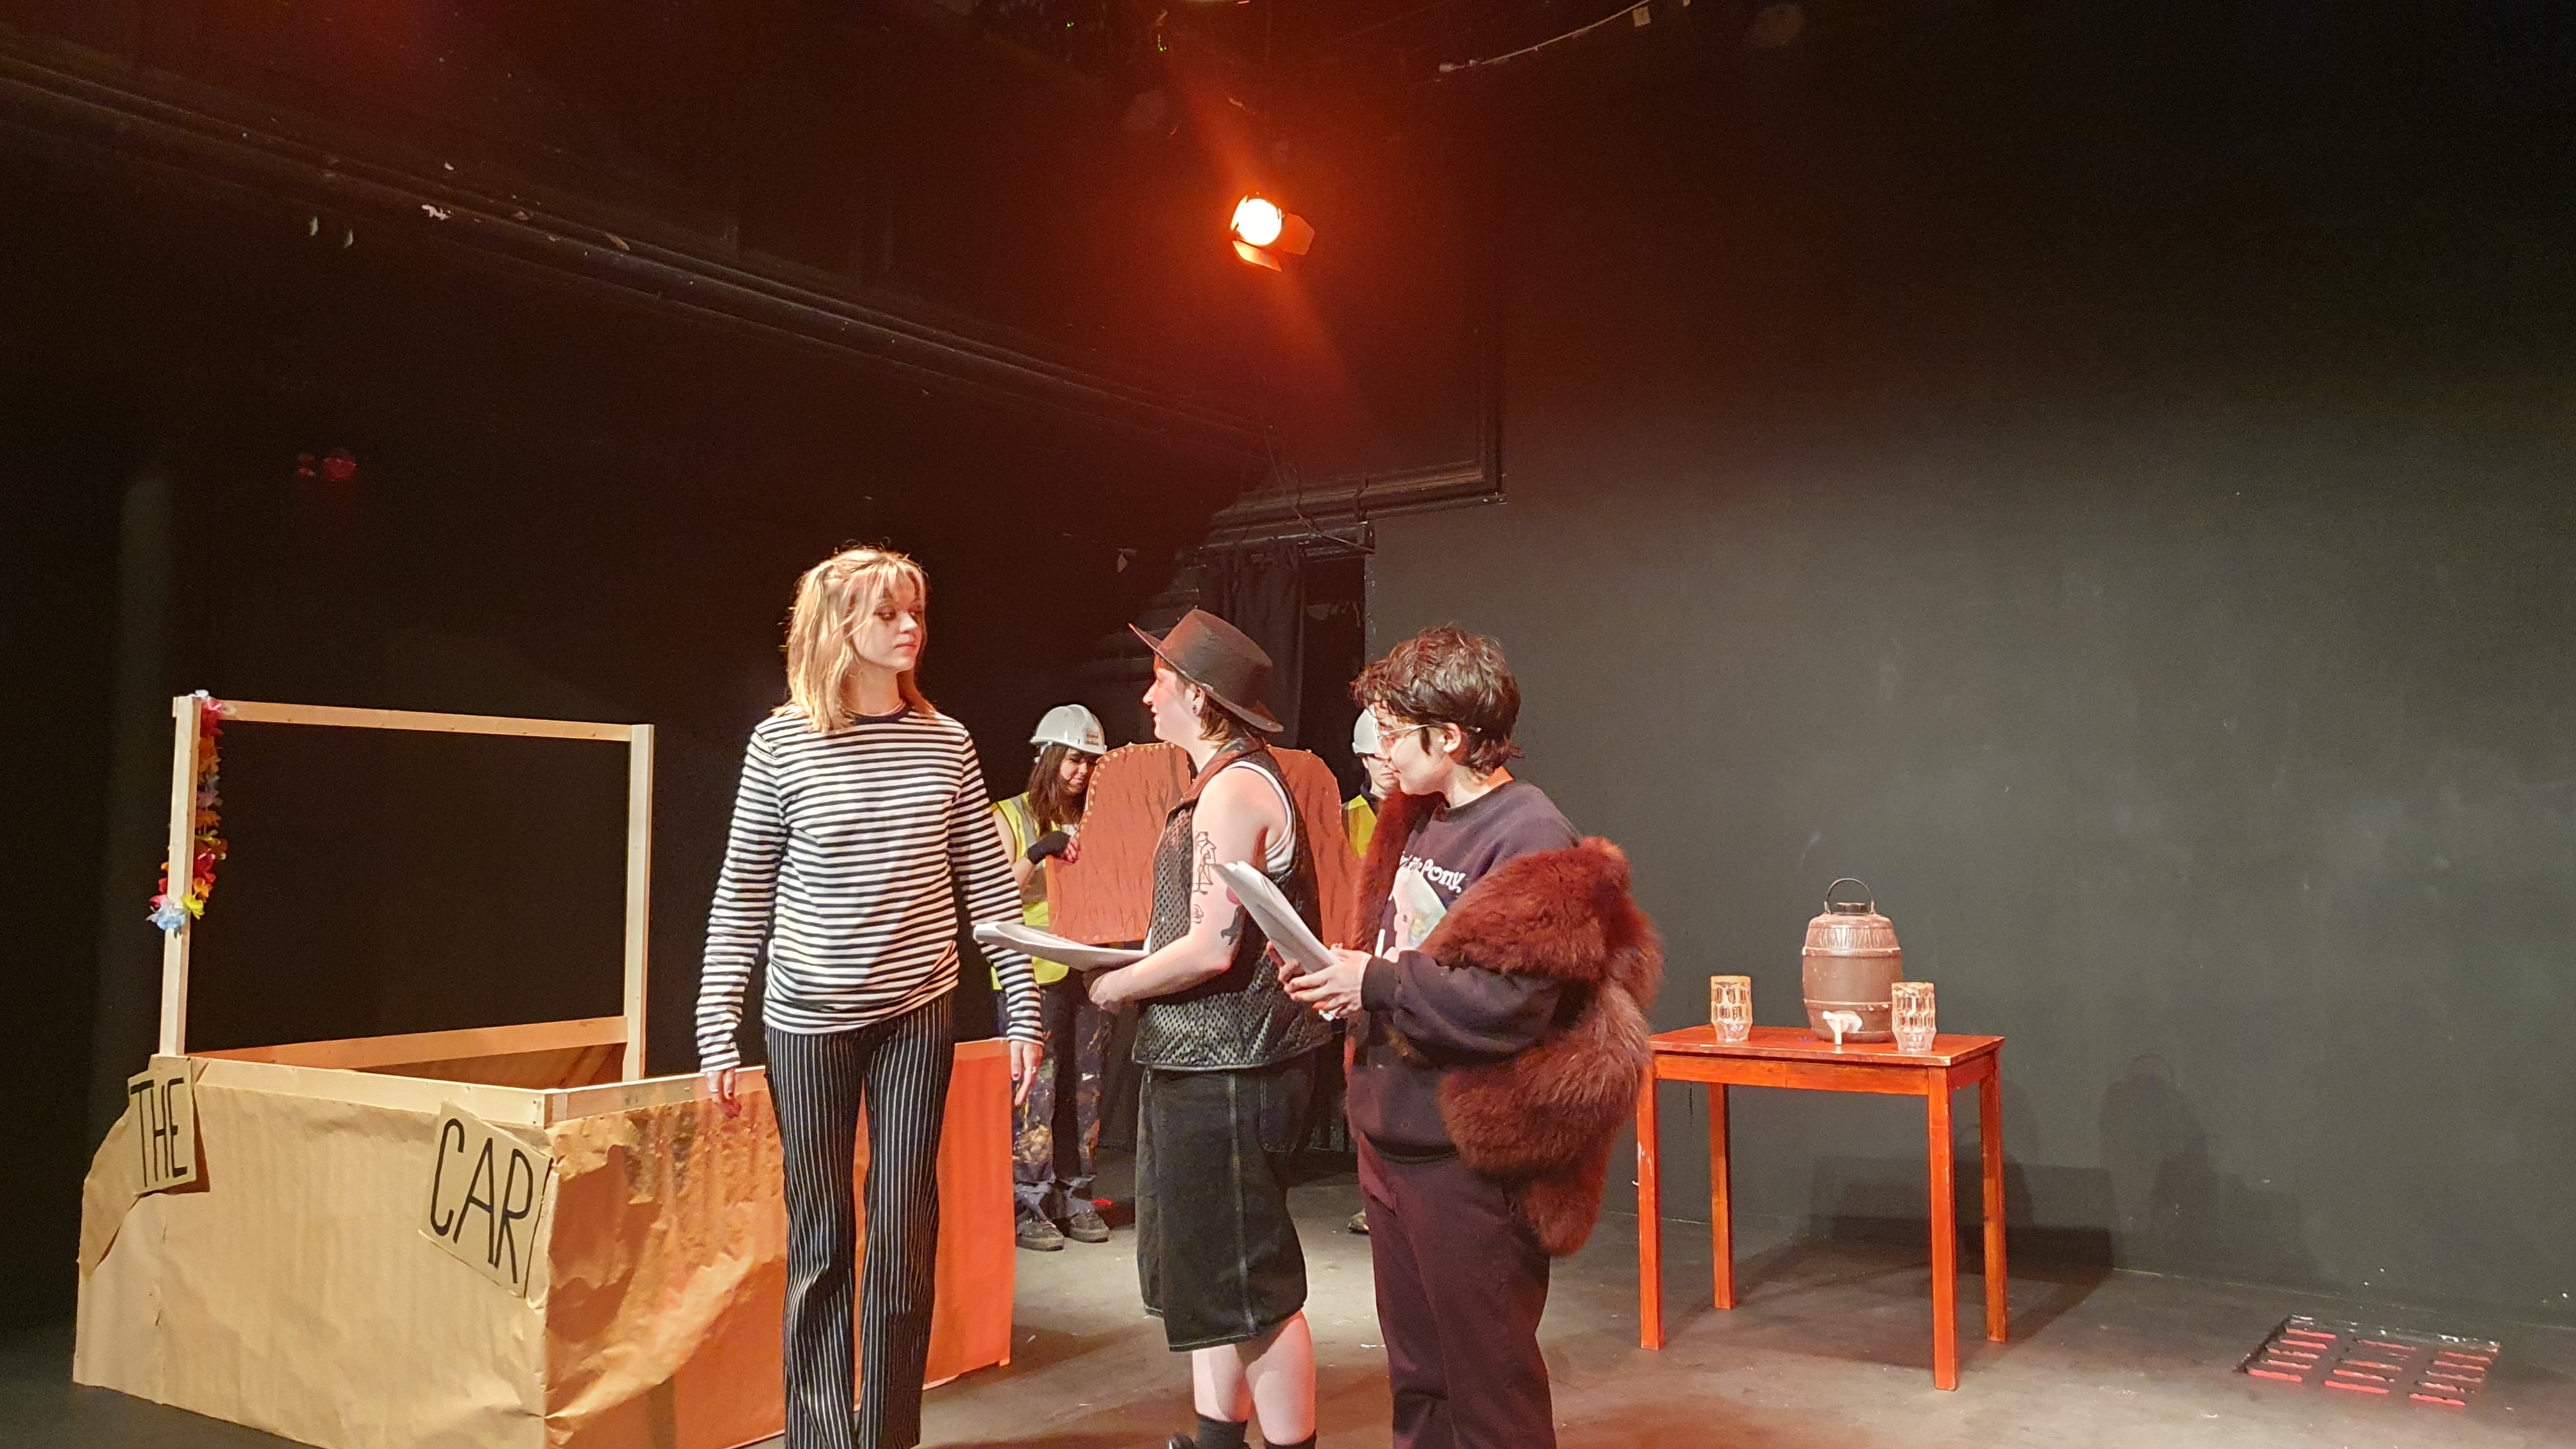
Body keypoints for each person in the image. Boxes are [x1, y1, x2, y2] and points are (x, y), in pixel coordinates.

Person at [694, 544, 1045, 1449]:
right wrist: (716, 1026)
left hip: (915, 1011)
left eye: (915, 611)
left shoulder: (946, 742)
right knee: (821, 1235)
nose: (909, 627)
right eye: (888, 613)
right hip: (806, 1018)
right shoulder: (781, 744)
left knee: (903, 1231)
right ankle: (820, 1437)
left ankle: (888, 1434)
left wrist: (1022, 1007)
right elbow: (743, 893)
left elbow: (989, 887)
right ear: (838, 626)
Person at [1284, 625, 1659, 1449]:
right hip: (1392, 1137)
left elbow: (1509, 1005)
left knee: (1490, 1393)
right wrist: (1341, 979)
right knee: (1420, 1384)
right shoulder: (1415, 819)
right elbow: (1404, 954)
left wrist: (1376, 982)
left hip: (1467, 1162)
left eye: (1395, 732)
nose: (1382, 750)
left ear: (1450, 738)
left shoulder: (1530, 834)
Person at [1083, 608, 1328, 1449]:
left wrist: (1115, 983)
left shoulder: (1235, 789)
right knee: (1208, 1277)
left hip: (1233, 1066)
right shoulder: (1219, 782)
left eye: (1161, 680)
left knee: (1250, 1287)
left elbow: (1211, 947)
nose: (1148, 696)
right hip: (1200, 1060)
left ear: (1197, 694)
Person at [991, 703, 1113, 1251]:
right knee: (1034, 1093)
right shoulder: (1009, 815)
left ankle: (1077, 1195)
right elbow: (996, 895)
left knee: (1085, 1088)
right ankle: (1029, 1204)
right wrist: (1040, 851)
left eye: (1090, 762)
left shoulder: (1101, 819)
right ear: (1047, 758)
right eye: (1072, 760)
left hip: (1087, 967)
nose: (1081, 772)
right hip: (1030, 973)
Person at [1340, 709, 1397, 1234]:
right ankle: (1373, 1194)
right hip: (1358, 967)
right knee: (1362, 1079)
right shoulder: (1346, 819)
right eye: (1377, 755)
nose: (1387, 763)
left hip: (1402, 966)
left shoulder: (1423, 818)